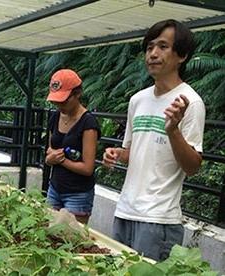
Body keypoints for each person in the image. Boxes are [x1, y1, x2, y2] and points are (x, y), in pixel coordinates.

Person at [102, 19, 205, 261]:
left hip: (158, 220)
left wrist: (173, 131)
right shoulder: (137, 100)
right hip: (125, 211)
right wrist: (117, 154)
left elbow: (192, 167)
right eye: (149, 47)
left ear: (182, 55)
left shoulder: (190, 102)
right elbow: (131, 152)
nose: (153, 54)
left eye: (162, 46)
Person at [45, 69, 101, 224]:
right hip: (55, 188)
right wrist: (51, 159)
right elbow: (50, 152)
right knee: (47, 235)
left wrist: (61, 160)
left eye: (64, 101)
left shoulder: (88, 123)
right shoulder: (55, 117)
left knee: (71, 239)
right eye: (56, 102)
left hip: (78, 194)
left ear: (77, 94)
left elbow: (88, 167)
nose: (60, 105)